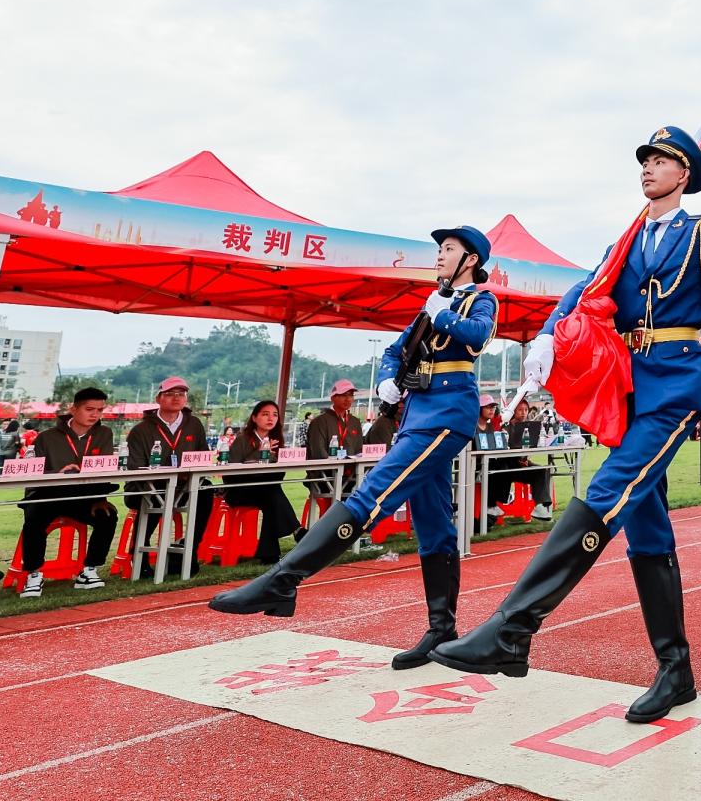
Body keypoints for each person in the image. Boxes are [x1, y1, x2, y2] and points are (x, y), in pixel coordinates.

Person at [435, 124, 701, 725]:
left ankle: (513, 629)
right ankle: (674, 670)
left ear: (685, 175)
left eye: (662, 161)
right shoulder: (628, 236)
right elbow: (585, 286)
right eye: (646, 160)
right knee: (647, 529)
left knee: (606, 494)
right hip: (631, 383)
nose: (648, 168)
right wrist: (549, 333)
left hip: (676, 387)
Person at [213, 223, 497, 674]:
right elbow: (395, 350)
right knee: (435, 522)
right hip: (416, 416)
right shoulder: (430, 306)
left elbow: (478, 337)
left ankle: (284, 580)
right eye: (439, 249)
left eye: (448, 249)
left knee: (372, 495)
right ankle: (442, 628)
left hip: (446, 415)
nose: (439, 256)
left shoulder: (477, 300)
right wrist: (387, 377)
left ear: (471, 260)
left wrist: (441, 313)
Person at [16, 387, 119, 597]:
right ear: (73, 409)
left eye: (100, 410)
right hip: (47, 495)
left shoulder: (104, 433)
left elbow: (104, 469)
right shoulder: (46, 437)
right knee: (34, 518)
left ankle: (89, 569)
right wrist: (57, 473)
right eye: (90, 409)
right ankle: (33, 573)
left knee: (108, 515)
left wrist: (100, 497)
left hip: (84, 497)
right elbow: (33, 470)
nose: (95, 415)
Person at [123, 376, 215, 569]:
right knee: (157, 495)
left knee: (206, 489)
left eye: (181, 394)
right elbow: (135, 467)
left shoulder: (194, 424)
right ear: (158, 398)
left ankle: (190, 547)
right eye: (170, 394)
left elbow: (203, 457)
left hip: (184, 487)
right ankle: (139, 552)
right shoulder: (141, 430)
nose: (176, 398)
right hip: (146, 487)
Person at [223, 400, 303, 562]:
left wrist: (276, 458)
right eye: (265, 414)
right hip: (239, 490)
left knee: (271, 496)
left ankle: (269, 554)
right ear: (254, 418)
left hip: (265, 491)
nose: (270, 419)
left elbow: (278, 477)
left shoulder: (277, 441)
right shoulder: (242, 439)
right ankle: (297, 530)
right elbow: (230, 475)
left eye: (274, 415)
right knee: (272, 494)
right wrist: (259, 455)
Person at [475, 396, 554, 521]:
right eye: (488, 407)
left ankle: (541, 506)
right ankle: (491, 504)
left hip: (509, 464)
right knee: (503, 466)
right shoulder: (499, 426)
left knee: (541, 470)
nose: (491, 410)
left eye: (493, 407)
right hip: (490, 466)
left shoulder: (492, 427)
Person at [306, 379, 366, 505]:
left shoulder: (355, 422)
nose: (348, 399)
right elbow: (318, 452)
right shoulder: (319, 421)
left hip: (351, 476)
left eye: (351, 395)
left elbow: (360, 450)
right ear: (333, 398)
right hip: (325, 476)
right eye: (344, 395)